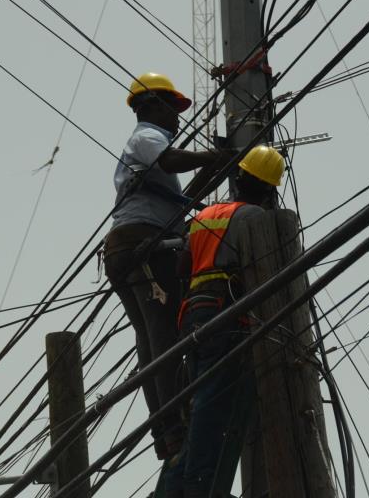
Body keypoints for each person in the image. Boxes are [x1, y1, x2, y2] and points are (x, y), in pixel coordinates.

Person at [104, 72, 228, 461]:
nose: (177, 118)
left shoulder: (149, 152)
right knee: (164, 335)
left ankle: (166, 429)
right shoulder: (146, 137)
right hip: (142, 245)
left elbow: (183, 196)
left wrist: (218, 164)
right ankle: (172, 425)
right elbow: (173, 160)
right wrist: (211, 156)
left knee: (151, 338)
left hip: (131, 247)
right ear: (152, 106)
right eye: (173, 109)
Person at [167, 146, 285, 498]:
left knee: (201, 401)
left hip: (193, 312)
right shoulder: (254, 217)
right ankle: (197, 484)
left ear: (239, 179)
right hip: (224, 311)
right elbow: (264, 269)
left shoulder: (205, 215)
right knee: (211, 403)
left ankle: (181, 480)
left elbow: (182, 267)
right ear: (269, 190)